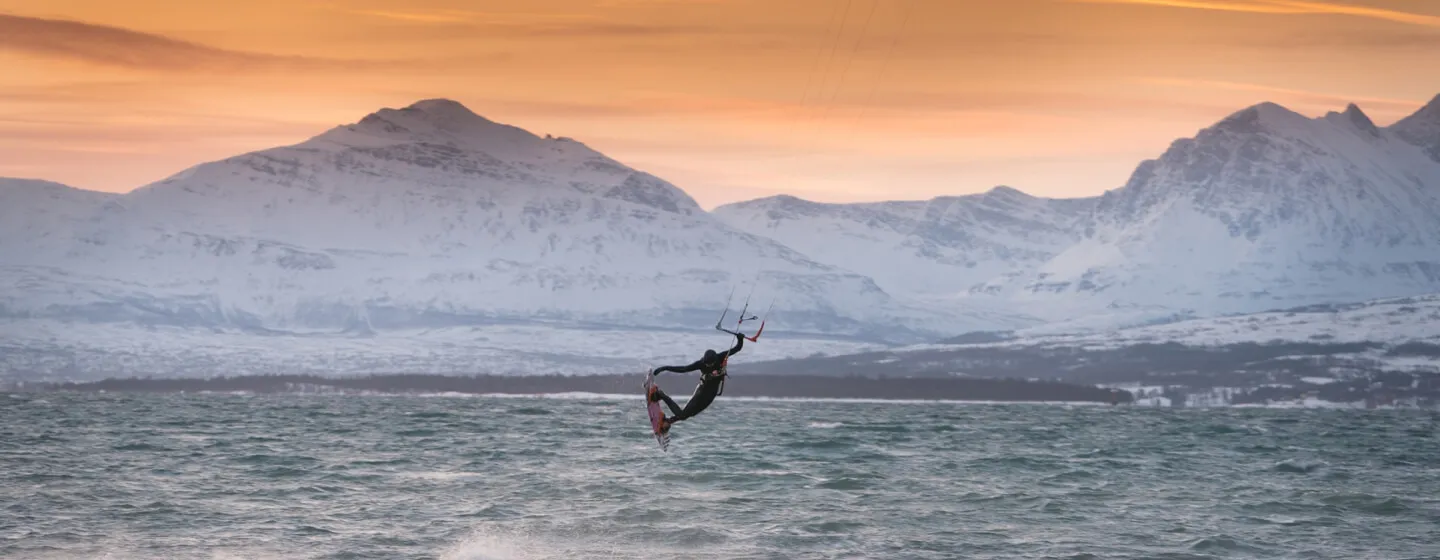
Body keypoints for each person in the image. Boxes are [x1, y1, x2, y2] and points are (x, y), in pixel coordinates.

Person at [648, 331, 744, 430]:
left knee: (689, 414)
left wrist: (740, 339)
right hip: (702, 391)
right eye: (707, 364)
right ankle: (660, 395)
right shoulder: (701, 363)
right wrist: (665, 368)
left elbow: (737, 348)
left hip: (711, 395)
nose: (708, 366)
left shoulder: (720, 357)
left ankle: (668, 421)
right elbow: (684, 369)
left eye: (710, 364)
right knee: (682, 414)